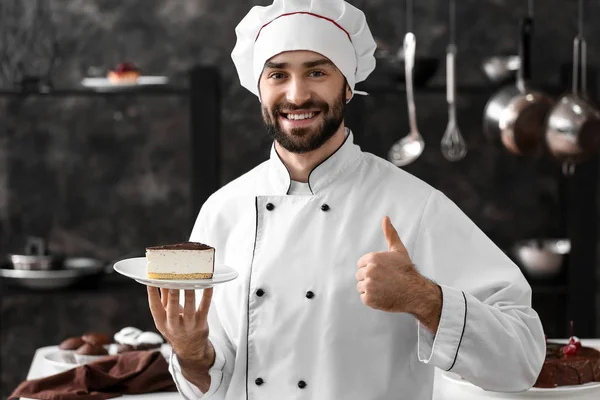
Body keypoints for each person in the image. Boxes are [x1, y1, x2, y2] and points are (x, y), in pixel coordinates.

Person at [147, 0, 546, 399]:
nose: (297, 94)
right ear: (259, 90)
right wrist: (191, 353)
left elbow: (523, 358)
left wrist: (425, 299)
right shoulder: (224, 209)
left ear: (349, 85)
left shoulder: (415, 206)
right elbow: (209, 381)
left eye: (317, 72)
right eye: (278, 74)